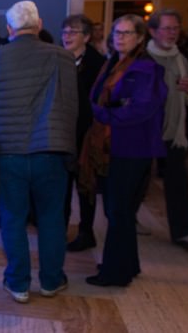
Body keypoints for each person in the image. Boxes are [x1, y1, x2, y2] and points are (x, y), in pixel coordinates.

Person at [0, 0, 77, 304]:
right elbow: (74, 107)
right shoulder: (63, 56)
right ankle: (51, 280)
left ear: (9, 29)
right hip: (52, 150)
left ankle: (18, 283)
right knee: (51, 219)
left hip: (9, 153)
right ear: (40, 24)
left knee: (12, 219)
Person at [83, 14, 167, 287]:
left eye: (127, 33)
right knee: (119, 211)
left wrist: (101, 113)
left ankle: (115, 272)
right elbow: (114, 102)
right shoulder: (113, 63)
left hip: (131, 148)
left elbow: (138, 109)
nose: (120, 37)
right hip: (113, 146)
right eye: (117, 32)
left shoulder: (145, 68)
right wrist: (113, 107)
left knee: (119, 211)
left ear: (141, 37)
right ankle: (126, 264)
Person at [146, 8, 188, 247]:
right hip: (145, 131)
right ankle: (126, 221)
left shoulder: (182, 59)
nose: (172, 33)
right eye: (167, 28)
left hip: (174, 133)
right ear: (153, 31)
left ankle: (182, 230)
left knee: (178, 182)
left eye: (176, 28)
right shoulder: (143, 58)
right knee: (135, 183)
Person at [60, 14, 106, 252]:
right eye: (65, 31)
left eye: (73, 32)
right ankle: (60, 228)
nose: (67, 36)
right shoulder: (56, 58)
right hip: (62, 135)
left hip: (87, 136)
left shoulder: (99, 65)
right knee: (61, 186)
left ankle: (86, 232)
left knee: (86, 186)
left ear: (86, 37)